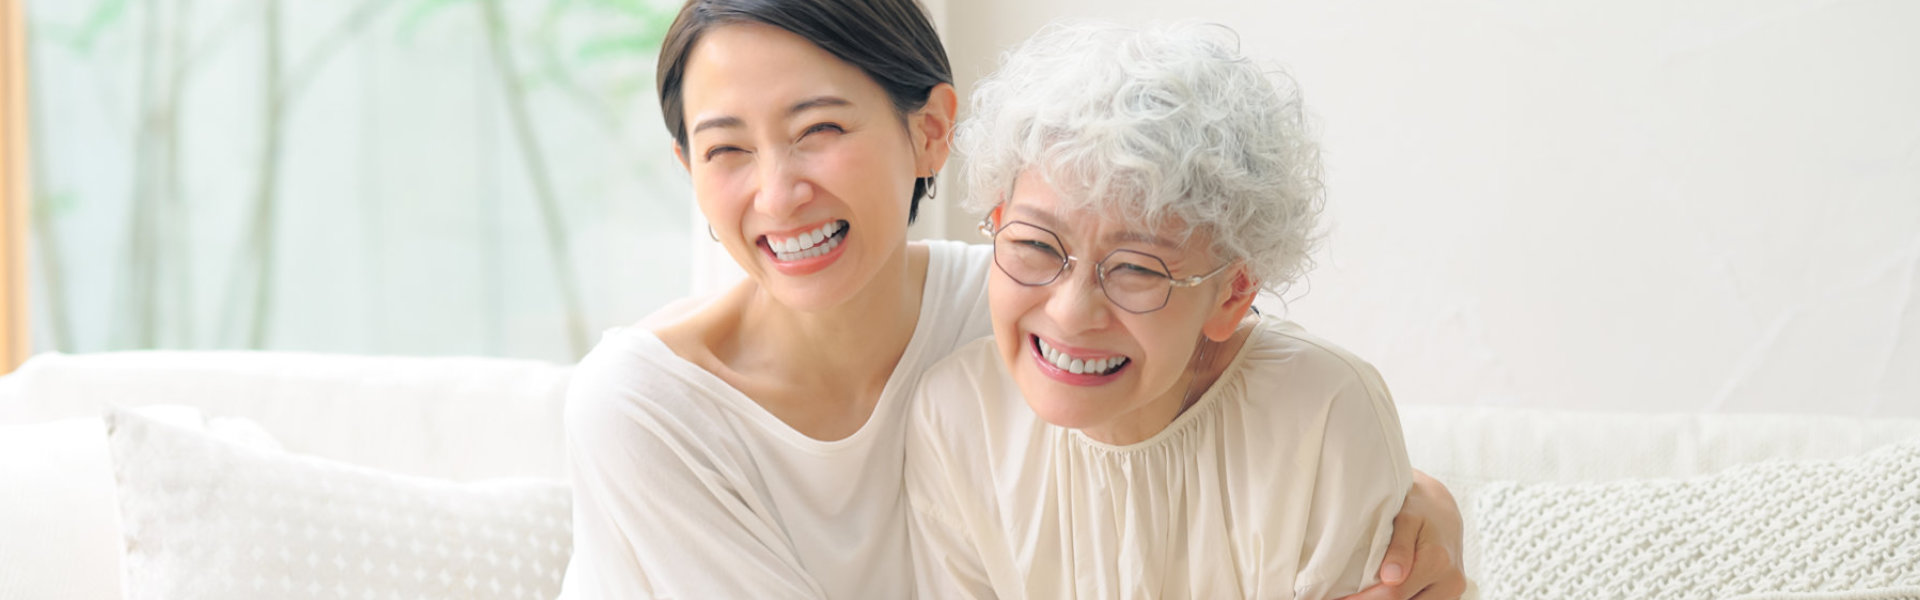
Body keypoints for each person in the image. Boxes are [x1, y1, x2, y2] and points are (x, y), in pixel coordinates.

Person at [558, 1, 1466, 598]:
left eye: (820, 129)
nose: (779, 190)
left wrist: (1415, 506)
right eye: (726, 149)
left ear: (931, 131)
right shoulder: (642, 407)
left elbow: (1229, 369)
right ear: (689, 170)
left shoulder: (1011, 301)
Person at [905, 21, 1430, 599]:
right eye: (1034, 245)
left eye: (1136, 269)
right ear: (998, 223)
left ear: (1232, 293)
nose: (1072, 312)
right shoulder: (957, 416)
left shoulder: (1322, 416)